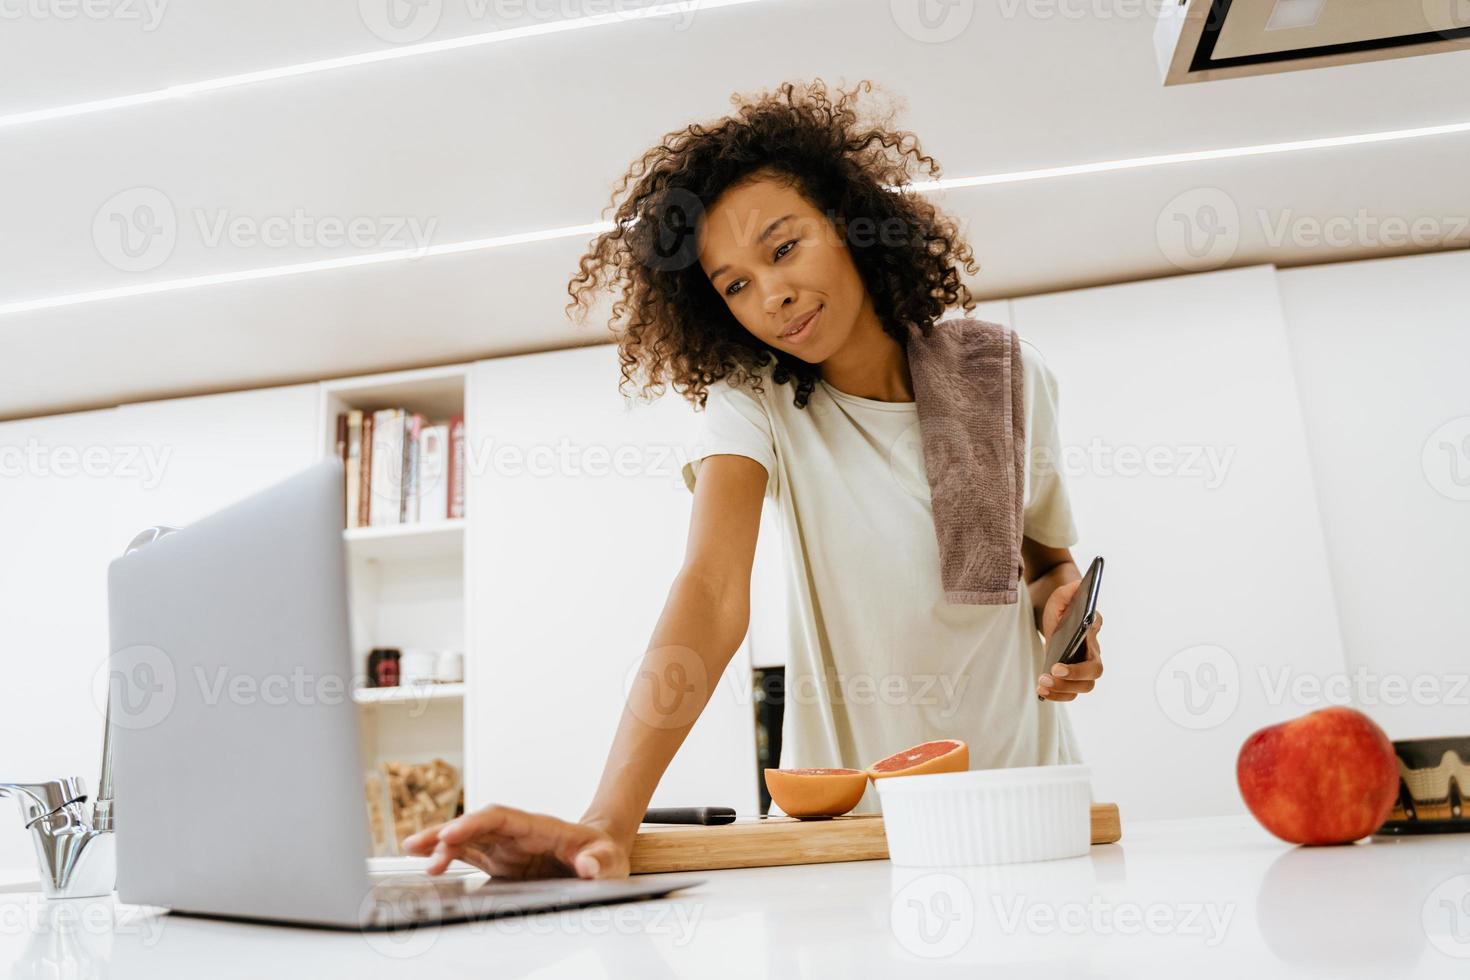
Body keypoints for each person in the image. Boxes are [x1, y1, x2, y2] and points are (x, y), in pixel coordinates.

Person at [403, 78, 1105, 880]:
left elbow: (1048, 563)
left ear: (849, 224)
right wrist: (607, 819)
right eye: (735, 284)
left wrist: (1066, 623)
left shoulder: (1003, 375)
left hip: (1031, 806)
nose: (771, 295)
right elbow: (710, 589)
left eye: (783, 248)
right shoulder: (755, 402)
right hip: (859, 838)